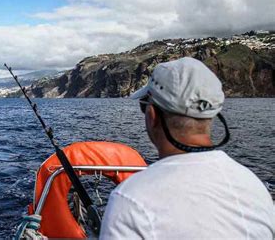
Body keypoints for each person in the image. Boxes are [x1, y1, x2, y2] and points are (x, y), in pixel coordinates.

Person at [100, 57, 274, 239]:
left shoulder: (130, 200)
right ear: (211, 116)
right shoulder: (255, 188)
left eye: (144, 107)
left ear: (152, 116)